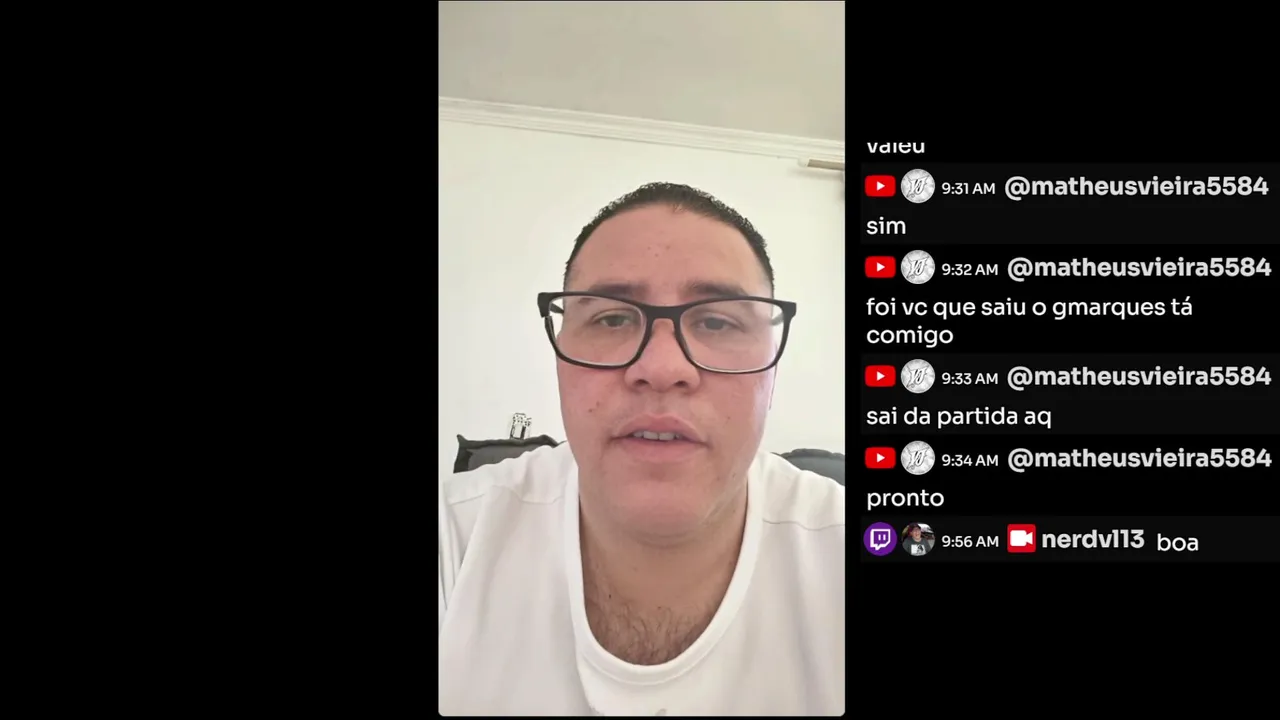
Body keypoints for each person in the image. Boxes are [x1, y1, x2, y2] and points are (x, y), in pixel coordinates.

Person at [438, 183, 845, 716]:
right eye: (612, 318)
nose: (661, 368)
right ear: (559, 355)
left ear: (772, 368)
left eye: (717, 321)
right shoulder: (457, 538)